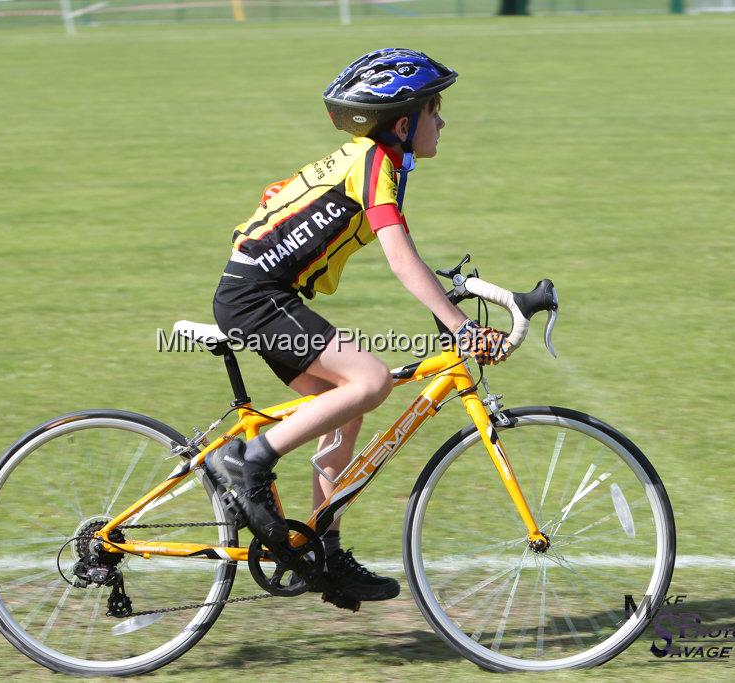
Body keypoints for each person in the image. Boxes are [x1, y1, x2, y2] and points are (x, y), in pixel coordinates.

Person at [209, 48, 510, 608]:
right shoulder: (374, 165)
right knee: (369, 380)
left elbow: (406, 255)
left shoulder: (374, 162)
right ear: (404, 123)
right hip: (255, 297)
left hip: (264, 293)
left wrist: (453, 300)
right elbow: (399, 257)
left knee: (347, 408)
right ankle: (247, 461)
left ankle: (322, 551)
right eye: (435, 110)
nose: (442, 121)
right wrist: (460, 325)